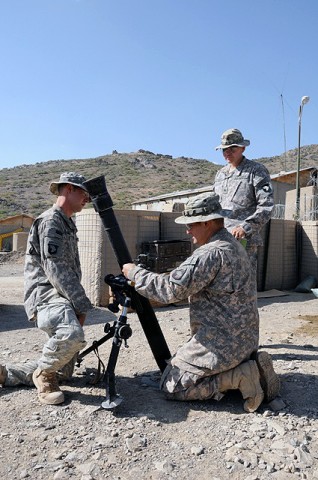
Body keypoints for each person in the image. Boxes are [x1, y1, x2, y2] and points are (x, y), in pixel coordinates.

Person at [122, 192, 280, 412]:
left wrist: (134, 273)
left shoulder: (209, 254)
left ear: (207, 223)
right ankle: (246, 366)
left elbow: (169, 290)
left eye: (191, 224)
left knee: (172, 385)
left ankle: (240, 377)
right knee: (178, 363)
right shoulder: (235, 246)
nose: (187, 230)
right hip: (245, 341)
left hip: (221, 345)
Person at [0, 172, 93, 405]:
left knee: (63, 369)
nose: (87, 198)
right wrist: (82, 304)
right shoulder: (51, 221)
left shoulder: (67, 222)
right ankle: (43, 376)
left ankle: (6, 374)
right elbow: (55, 269)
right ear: (68, 189)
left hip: (61, 295)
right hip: (47, 294)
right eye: (83, 192)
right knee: (71, 335)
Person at [212, 128, 274, 282]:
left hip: (243, 240)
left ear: (243, 148)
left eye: (232, 148)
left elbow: (266, 206)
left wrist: (245, 228)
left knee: (242, 285)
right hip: (220, 238)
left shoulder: (256, 171)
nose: (227, 152)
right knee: (221, 284)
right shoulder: (220, 175)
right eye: (224, 149)